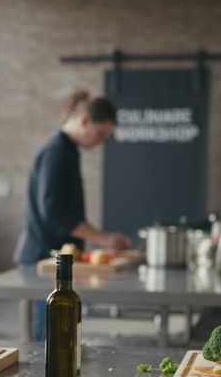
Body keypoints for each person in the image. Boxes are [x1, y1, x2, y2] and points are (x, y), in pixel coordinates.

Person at [13, 90, 133, 267]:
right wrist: (102, 238)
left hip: (57, 258)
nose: (100, 142)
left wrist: (101, 238)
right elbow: (53, 211)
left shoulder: (68, 152)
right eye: (100, 134)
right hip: (42, 258)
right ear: (85, 120)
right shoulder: (56, 152)